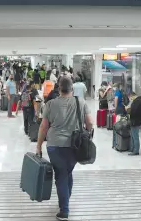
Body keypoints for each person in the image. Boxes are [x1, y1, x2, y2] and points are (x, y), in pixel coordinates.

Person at [36, 77, 93, 221]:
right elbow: (90, 123)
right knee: (67, 172)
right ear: (71, 88)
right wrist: (88, 134)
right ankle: (65, 198)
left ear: (58, 88)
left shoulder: (50, 104)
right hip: (74, 145)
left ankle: (64, 211)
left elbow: (43, 127)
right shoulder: (80, 102)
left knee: (61, 175)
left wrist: (38, 146)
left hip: (55, 145)